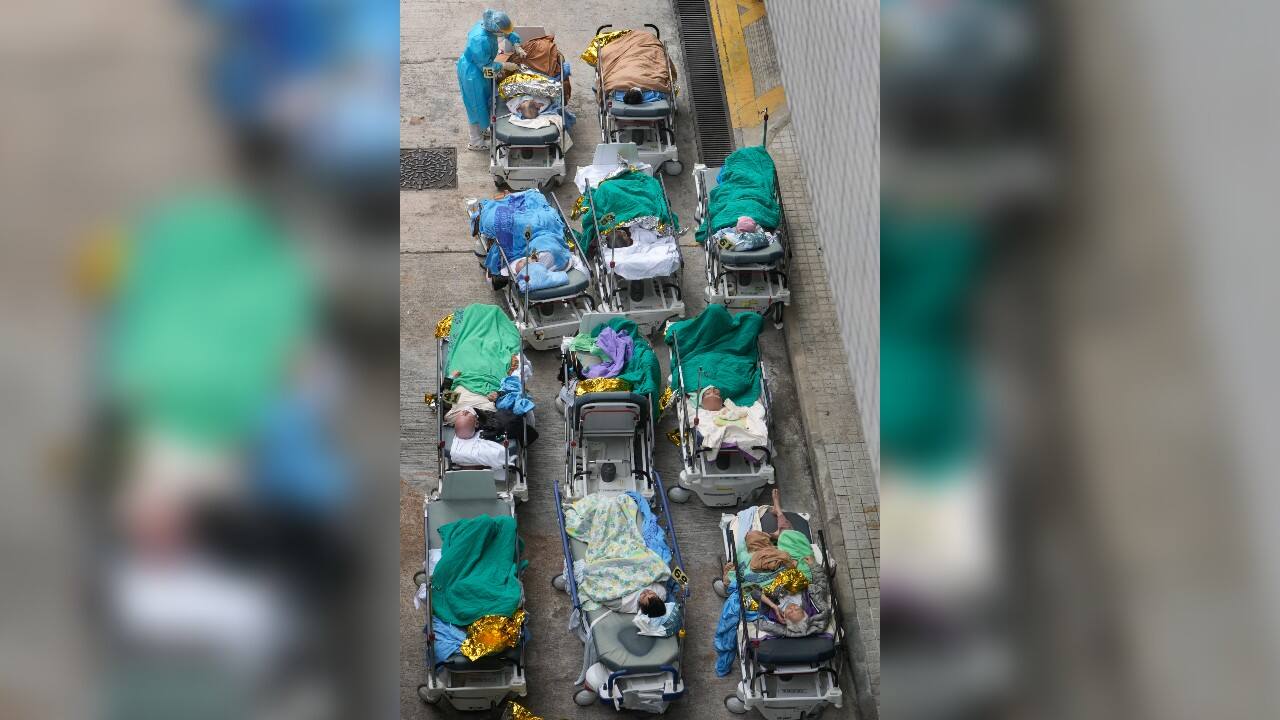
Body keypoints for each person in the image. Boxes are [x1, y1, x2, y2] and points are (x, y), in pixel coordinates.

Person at [457, 9, 524, 151]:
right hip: (473, 73)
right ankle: (475, 141)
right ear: (495, 29)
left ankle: (483, 129)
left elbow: (507, 31)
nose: (504, 33)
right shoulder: (479, 40)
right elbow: (486, 67)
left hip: (481, 69)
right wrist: (504, 65)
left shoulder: (488, 25)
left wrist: (516, 44)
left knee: (486, 101)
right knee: (475, 105)